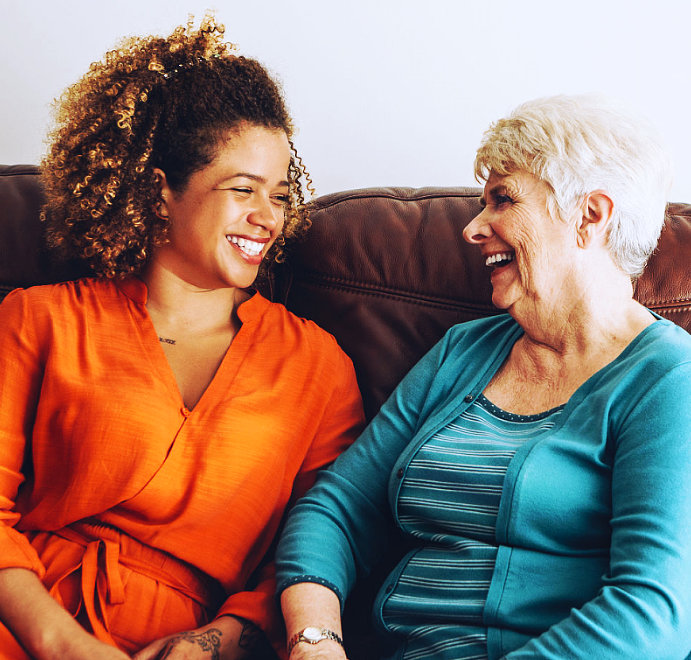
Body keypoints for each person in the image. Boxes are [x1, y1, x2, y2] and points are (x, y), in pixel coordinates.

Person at [0, 15, 364, 660]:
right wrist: (58, 643)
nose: (267, 218)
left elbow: (316, 544)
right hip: (26, 621)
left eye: (279, 195)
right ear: (160, 191)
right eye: (242, 189)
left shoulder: (317, 366)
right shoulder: (40, 320)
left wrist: (214, 641)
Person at [275, 95, 691, 659]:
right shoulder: (463, 352)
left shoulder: (668, 379)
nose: (473, 229)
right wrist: (315, 640)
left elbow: (654, 613)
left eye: (503, 200)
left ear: (589, 216)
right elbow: (338, 508)